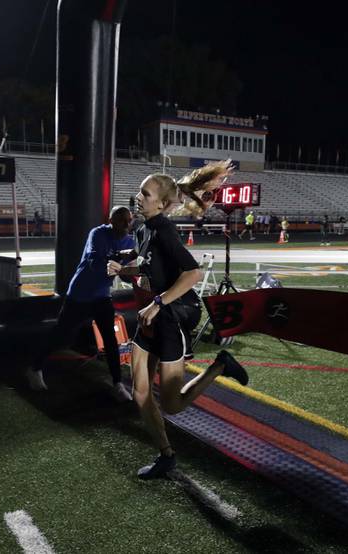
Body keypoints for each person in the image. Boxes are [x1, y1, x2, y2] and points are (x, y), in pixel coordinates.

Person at [107, 160, 249, 479]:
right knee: (141, 392)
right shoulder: (143, 229)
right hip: (153, 318)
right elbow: (147, 268)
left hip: (174, 316)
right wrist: (122, 269)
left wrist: (157, 301)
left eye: (145, 193)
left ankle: (220, 366)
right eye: (140, 192)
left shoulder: (165, 231)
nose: (139, 197)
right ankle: (166, 456)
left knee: (171, 404)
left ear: (163, 203)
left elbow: (193, 273)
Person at [26, 206, 136, 402]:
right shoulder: (98, 233)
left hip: (102, 296)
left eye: (129, 220)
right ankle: (35, 367)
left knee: (111, 340)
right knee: (61, 335)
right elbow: (96, 263)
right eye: (122, 220)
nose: (127, 224)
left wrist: (135, 272)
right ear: (111, 220)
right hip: (80, 295)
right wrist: (122, 260)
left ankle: (118, 383)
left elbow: (126, 275)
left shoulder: (129, 240)